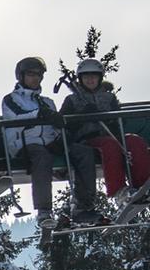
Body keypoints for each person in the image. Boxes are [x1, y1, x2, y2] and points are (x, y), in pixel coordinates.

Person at [3, 56, 99, 229]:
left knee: (83, 152)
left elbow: (56, 125)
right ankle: (44, 210)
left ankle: (84, 205)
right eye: (31, 74)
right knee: (42, 157)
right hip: (24, 143)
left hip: (48, 142)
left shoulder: (47, 102)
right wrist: (39, 114)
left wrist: (64, 134)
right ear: (21, 76)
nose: (35, 78)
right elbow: (16, 116)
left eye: (38, 75)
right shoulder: (11, 99)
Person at [60, 57, 150, 201]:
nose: (90, 80)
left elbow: (119, 118)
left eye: (94, 76)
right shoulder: (72, 100)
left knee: (134, 141)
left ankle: (143, 185)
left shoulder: (108, 98)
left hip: (109, 134)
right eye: (86, 77)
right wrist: (82, 116)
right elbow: (63, 123)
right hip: (87, 140)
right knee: (110, 145)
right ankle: (118, 190)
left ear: (100, 78)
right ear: (80, 79)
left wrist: (109, 119)